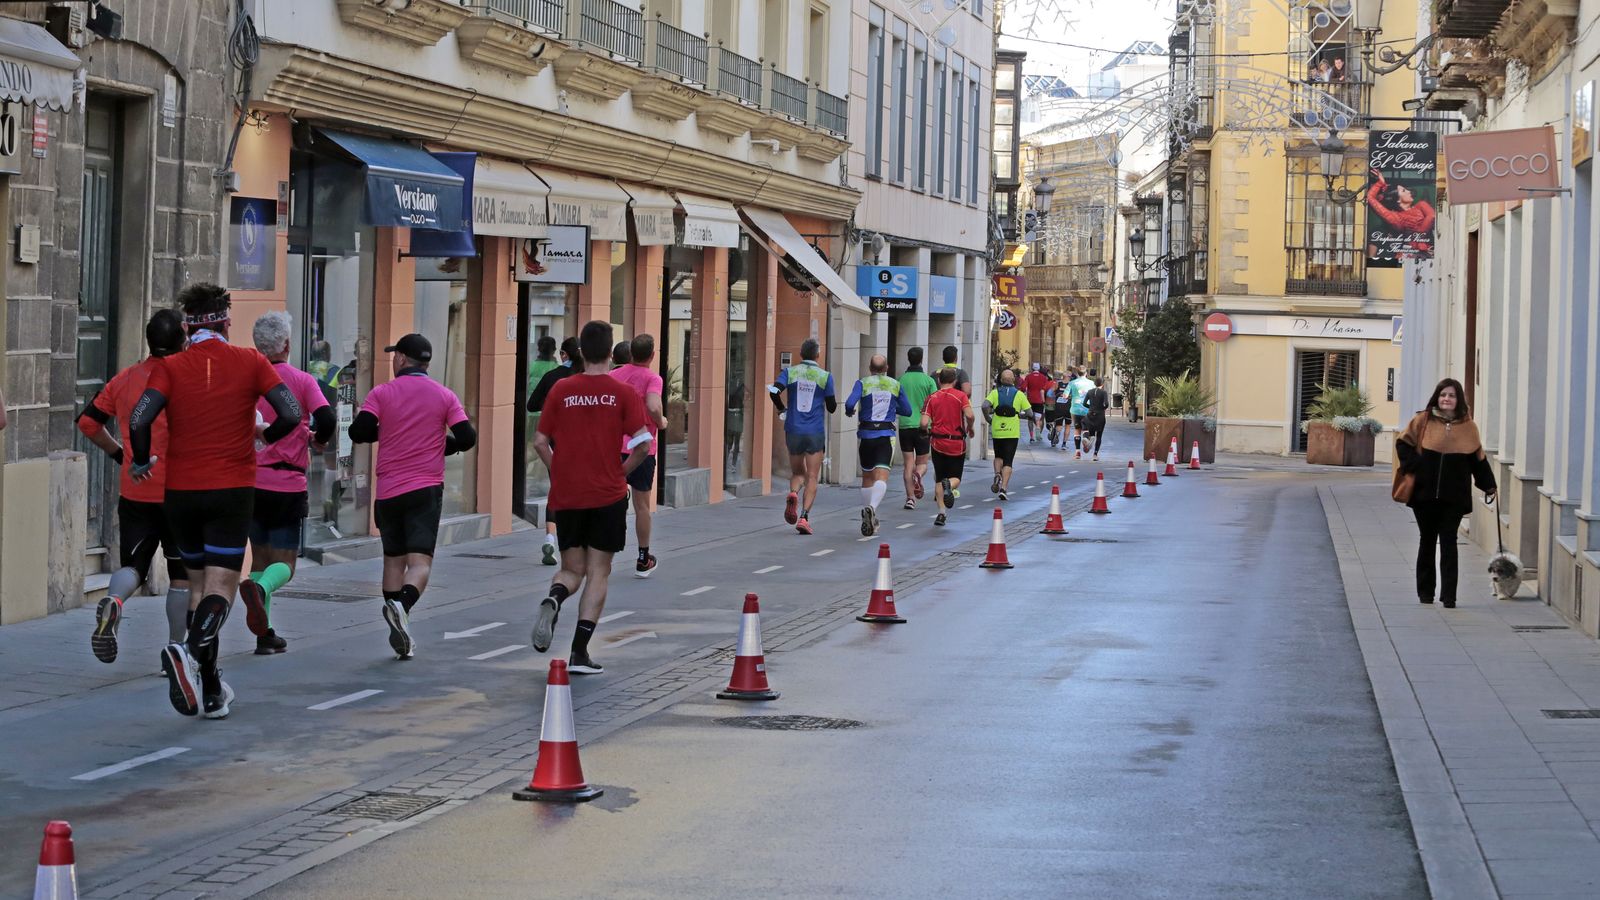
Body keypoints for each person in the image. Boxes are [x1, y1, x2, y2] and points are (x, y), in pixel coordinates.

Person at [128, 283, 302, 720]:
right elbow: (292, 413)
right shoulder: (250, 361)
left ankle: (209, 690)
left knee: (196, 588)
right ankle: (188, 652)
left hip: (180, 494)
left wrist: (143, 457)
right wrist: (264, 438)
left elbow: (138, 417)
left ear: (188, 327)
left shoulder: (171, 367)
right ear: (226, 322)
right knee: (222, 587)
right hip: (231, 490)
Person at [530, 320, 652, 675]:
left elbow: (539, 441)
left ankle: (554, 598)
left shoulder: (562, 389)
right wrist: (620, 473)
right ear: (612, 351)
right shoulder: (622, 393)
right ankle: (579, 653)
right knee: (599, 571)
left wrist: (560, 472)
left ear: (581, 351)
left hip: (567, 496)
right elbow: (643, 445)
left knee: (571, 570)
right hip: (607, 495)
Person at [348, 333, 477, 660]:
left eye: (395, 356)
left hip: (389, 491)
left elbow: (359, 431)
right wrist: (442, 444)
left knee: (393, 559)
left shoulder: (382, 393)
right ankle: (401, 608)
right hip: (425, 489)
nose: (393, 360)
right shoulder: (444, 395)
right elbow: (467, 436)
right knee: (419, 563)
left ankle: (396, 615)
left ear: (403, 359)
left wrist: (387, 432)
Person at [77, 309, 191, 664]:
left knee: (134, 566)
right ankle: (176, 649)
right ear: (183, 340)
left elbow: (88, 423)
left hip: (136, 490)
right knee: (181, 576)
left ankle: (115, 601)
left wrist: (120, 455)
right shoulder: (184, 382)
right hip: (179, 491)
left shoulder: (125, 379)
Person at [239, 311, 336, 655]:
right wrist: (319, 440)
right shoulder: (301, 380)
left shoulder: (246, 381)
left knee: (260, 561)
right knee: (286, 565)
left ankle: (263, 636)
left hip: (250, 482)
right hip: (287, 483)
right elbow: (326, 417)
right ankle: (260, 593)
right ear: (288, 344)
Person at [1395, 379, 1497, 609]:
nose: (1446, 399)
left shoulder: (1469, 427)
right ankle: (1425, 593)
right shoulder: (1423, 420)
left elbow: (1477, 460)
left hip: (1454, 497)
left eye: (1451, 395)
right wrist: (1417, 467)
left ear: (1458, 399)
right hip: (1424, 495)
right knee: (1427, 540)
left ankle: (1449, 595)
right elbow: (1403, 444)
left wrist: (1489, 484)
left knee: (1449, 542)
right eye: (1443, 395)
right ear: (1437, 397)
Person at [610, 333, 669, 577]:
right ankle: (643, 558)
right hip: (642, 448)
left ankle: (603, 554)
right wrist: (662, 421)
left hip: (614, 447)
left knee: (610, 499)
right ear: (652, 356)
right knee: (642, 506)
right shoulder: (652, 378)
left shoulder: (614, 376)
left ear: (631, 353)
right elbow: (654, 405)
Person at [769, 338, 836, 535]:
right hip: (814, 431)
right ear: (817, 355)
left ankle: (792, 493)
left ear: (800, 354)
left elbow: (774, 391)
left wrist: (781, 408)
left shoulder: (790, 372)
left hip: (793, 429)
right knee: (812, 476)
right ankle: (804, 517)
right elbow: (832, 407)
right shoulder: (825, 376)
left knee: (798, 473)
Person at [528, 336, 581, 565]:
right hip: (584, 444)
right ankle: (575, 541)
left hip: (557, 443)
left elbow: (531, 405)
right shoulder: (587, 378)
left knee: (557, 489)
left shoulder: (553, 377)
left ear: (563, 355)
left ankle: (550, 536)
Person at [846, 355, 912, 536]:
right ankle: (872, 508)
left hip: (866, 435)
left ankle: (867, 511)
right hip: (885, 435)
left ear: (869, 368)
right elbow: (907, 410)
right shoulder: (895, 385)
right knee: (881, 476)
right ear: (887, 367)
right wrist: (892, 407)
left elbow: (850, 403)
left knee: (867, 477)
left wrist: (850, 411)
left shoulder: (862, 383)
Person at [922, 368, 974, 527]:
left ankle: (941, 514)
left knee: (939, 477)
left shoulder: (932, 397)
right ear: (955, 381)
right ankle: (949, 486)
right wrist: (970, 427)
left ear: (939, 381)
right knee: (955, 477)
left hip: (937, 443)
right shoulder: (960, 396)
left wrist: (927, 431)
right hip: (956, 442)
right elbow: (970, 415)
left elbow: (924, 422)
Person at [896, 347, 938, 509]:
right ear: (921, 359)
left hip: (905, 425)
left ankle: (910, 498)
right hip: (923, 426)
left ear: (908, 359)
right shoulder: (928, 381)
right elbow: (934, 404)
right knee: (923, 463)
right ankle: (918, 475)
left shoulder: (900, 380)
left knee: (908, 463)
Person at [983, 369, 1030, 500]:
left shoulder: (995, 392)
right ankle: (1003, 488)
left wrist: (988, 418)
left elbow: (984, 405)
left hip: (998, 429)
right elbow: (1030, 413)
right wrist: (1023, 415)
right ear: (1013, 380)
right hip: (1012, 432)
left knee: (998, 455)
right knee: (1008, 461)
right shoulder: (1019, 394)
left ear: (1001, 380)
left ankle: (997, 473)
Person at [1367, 169, 1437, 237]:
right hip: (1407, 247)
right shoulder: (1396, 217)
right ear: (1398, 200)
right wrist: (1380, 183)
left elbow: (1432, 215)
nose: (1409, 191)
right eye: (1404, 190)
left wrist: (1420, 233)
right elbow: (1370, 197)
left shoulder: (1421, 205)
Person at [1067, 367, 1096, 459]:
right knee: (1086, 429)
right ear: (1086, 373)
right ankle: (1086, 439)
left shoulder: (1072, 383)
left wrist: (1071, 396)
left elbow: (1065, 395)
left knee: (1077, 429)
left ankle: (1077, 452)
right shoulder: (1091, 383)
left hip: (1075, 409)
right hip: (1087, 409)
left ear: (1077, 373)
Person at [1082, 376, 1111, 462]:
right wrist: (1102, 408)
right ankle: (1095, 454)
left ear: (1095, 384)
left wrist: (1090, 407)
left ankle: (1087, 439)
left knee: (1091, 432)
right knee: (1099, 435)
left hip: (1090, 414)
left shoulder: (1089, 392)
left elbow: (1084, 403)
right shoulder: (1103, 392)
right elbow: (1106, 404)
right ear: (1102, 384)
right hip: (1100, 416)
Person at [1022, 363, 1053, 443]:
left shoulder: (1028, 377)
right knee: (1039, 418)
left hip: (1029, 400)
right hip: (1040, 400)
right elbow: (1045, 389)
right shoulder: (1043, 378)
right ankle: (1038, 428)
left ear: (1032, 369)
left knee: (1030, 419)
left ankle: (1031, 436)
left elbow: (1023, 388)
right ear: (1039, 369)